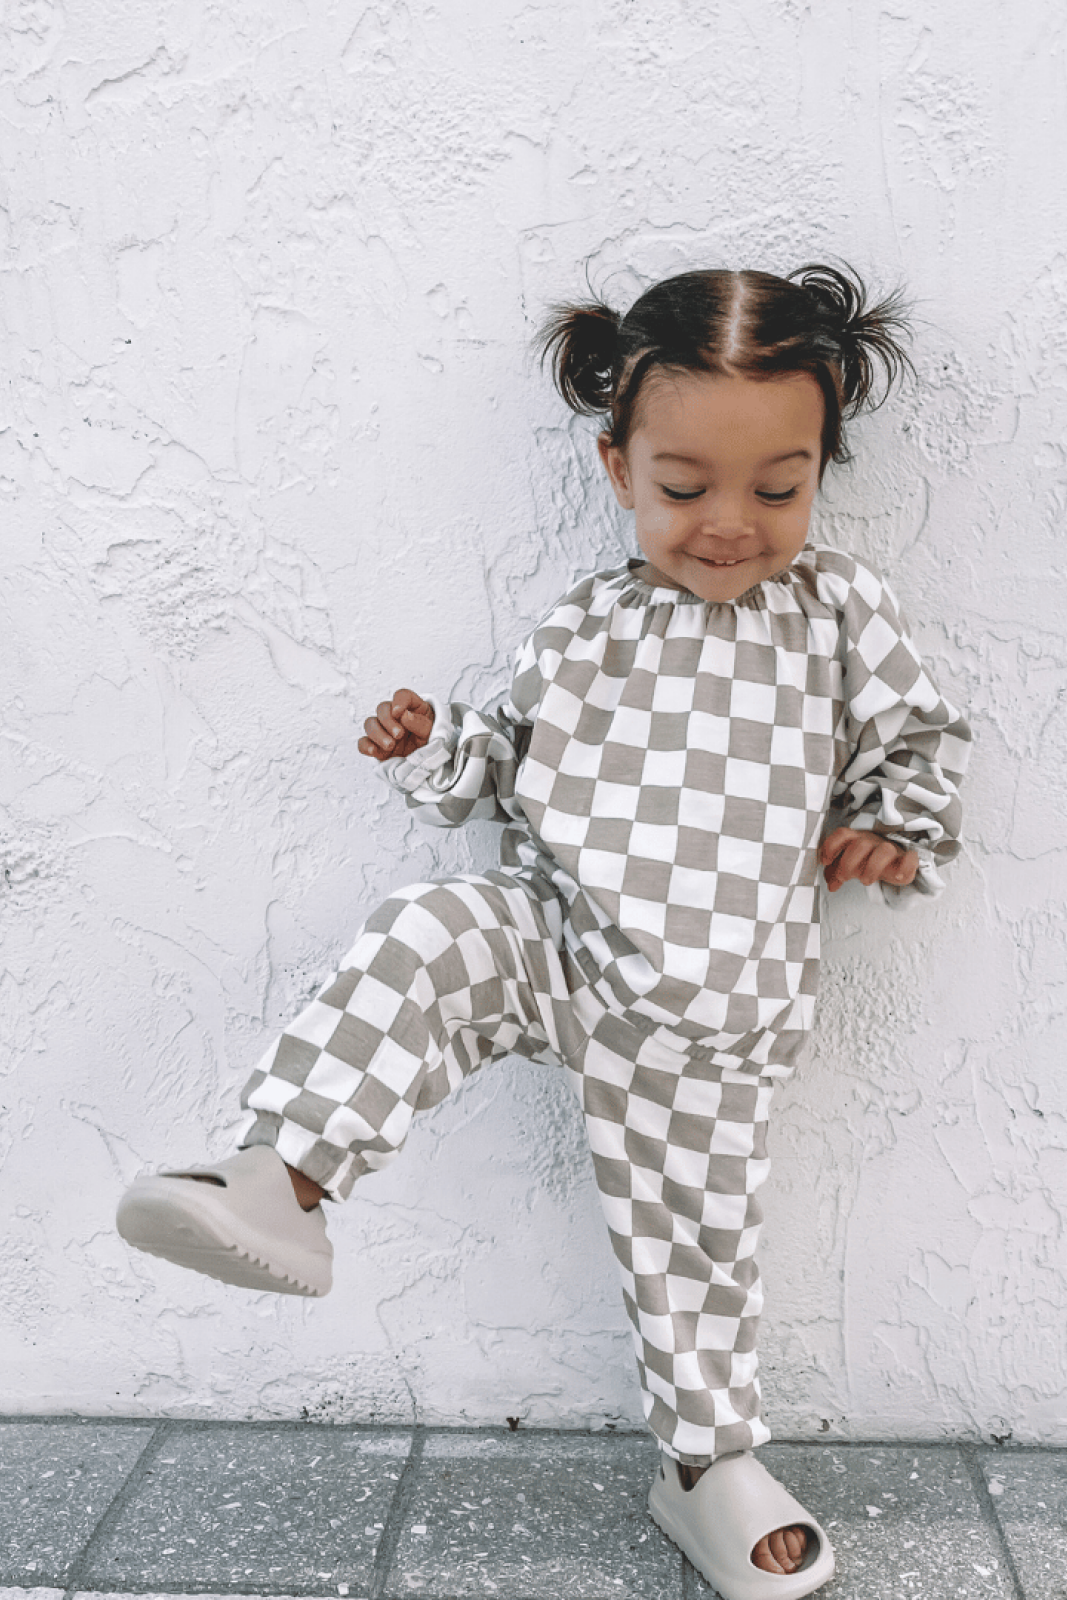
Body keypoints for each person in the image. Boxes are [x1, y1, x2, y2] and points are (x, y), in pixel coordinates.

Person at [117, 262, 971, 1600]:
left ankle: (706, 1467)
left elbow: (915, 741)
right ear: (616, 464)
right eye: (683, 489)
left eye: (777, 487)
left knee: (695, 1246)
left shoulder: (837, 618)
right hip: (564, 950)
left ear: (821, 469)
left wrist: (894, 827)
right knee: (433, 926)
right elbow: (500, 773)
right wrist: (432, 747)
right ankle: (284, 1183)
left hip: (711, 1015)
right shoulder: (587, 625)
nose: (729, 525)